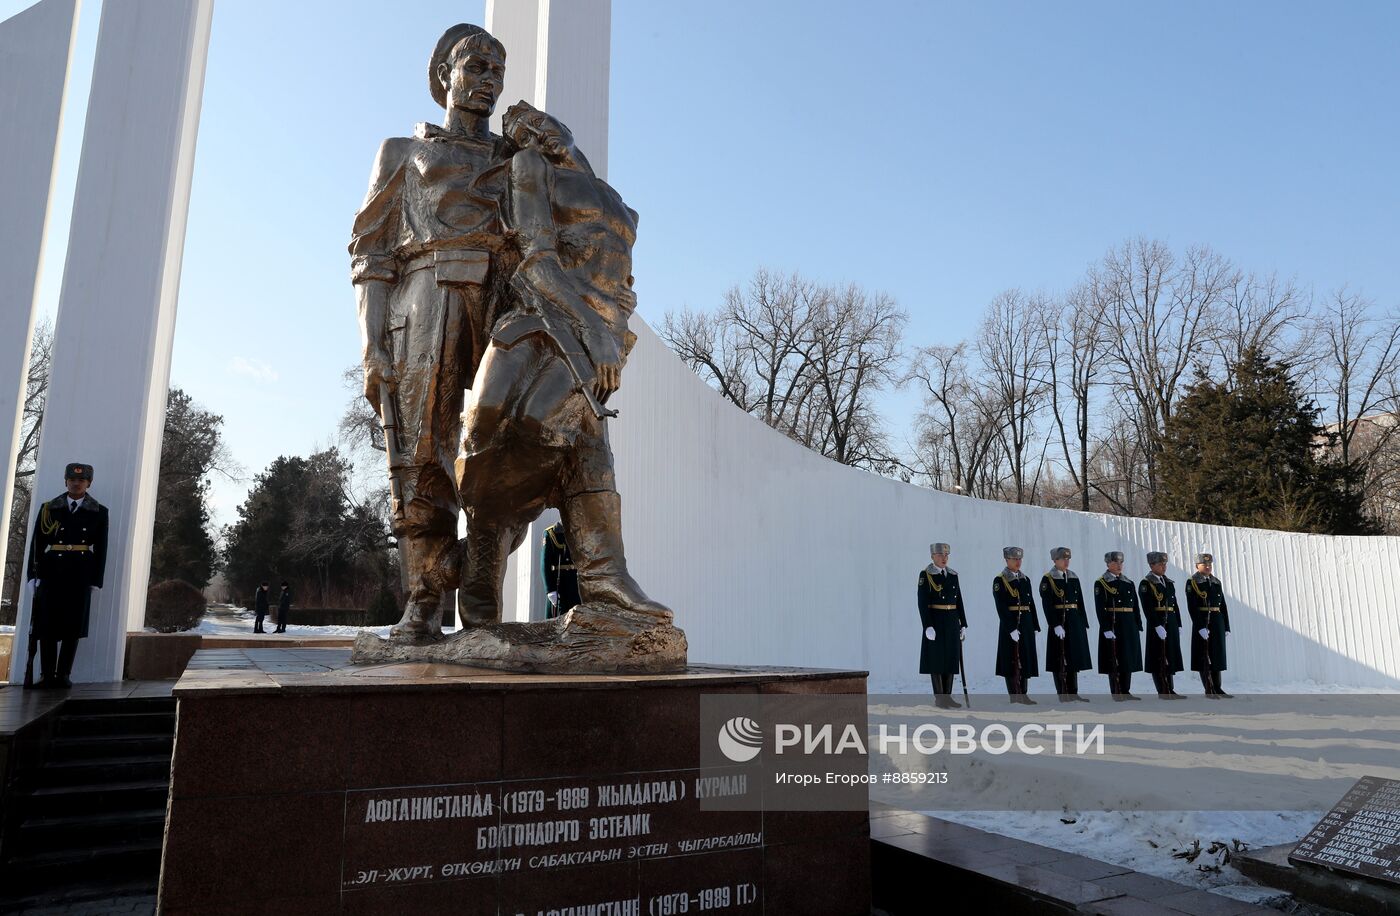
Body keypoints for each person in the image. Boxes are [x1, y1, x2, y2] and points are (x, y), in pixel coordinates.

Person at [452, 100, 667, 622]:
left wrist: (609, 332)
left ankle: (604, 575)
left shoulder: (617, 201)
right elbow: (537, 260)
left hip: (601, 332)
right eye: (521, 129)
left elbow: (623, 282)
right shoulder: (531, 169)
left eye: (538, 120)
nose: (534, 131)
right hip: (540, 316)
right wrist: (592, 329)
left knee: (572, 429)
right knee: (489, 427)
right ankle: (486, 555)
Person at [351, 23, 512, 640]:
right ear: (445, 75)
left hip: (504, 299)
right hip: (427, 299)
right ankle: (423, 597)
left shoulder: (516, 160)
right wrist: (374, 348)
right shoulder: (403, 152)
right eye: (476, 68)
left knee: (514, 445)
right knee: (421, 453)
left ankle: (478, 577)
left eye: (497, 72)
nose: (488, 83)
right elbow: (371, 257)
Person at [24, 462, 108, 689]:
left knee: (72, 625)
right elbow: (36, 545)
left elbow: (101, 548)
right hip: (52, 571)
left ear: (88, 483)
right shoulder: (49, 508)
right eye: (72, 479)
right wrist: (32, 576)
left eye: (81, 480)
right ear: (65, 481)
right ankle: (46, 674)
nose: (76, 483)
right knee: (47, 625)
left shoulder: (98, 511)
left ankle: (63, 674)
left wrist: (96, 580)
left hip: (80, 572)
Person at [917, 542, 968, 708]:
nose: (944, 558)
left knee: (951, 658)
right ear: (932, 556)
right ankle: (939, 697)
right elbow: (922, 602)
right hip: (936, 621)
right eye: (940, 555)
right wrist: (927, 625)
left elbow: (958, 600)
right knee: (937, 659)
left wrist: (963, 623)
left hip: (952, 620)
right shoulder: (926, 575)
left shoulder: (953, 575)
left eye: (946, 555)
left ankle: (948, 696)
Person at [1039, 547, 1091, 702]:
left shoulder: (1073, 577)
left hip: (1074, 622)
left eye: (1068, 558)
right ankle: (1063, 692)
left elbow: (1079, 601)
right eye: (1063, 558)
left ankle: (1073, 692)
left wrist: (1083, 622)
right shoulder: (1048, 579)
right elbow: (1047, 604)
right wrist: (1055, 624)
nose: (1066, 561)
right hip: (1060, 622)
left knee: (1073, 657)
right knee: (1060, 658)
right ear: (1055, 560)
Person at [1094, 551, 1143, 700]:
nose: (1119, 565)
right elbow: (1100, 607)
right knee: (1114, 657)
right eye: (1115, 562)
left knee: (1127, 657)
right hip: (1113, 623)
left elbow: (1135, 605)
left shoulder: (1128, 582)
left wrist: (1137, 623)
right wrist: (1106, 628)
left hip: (1128, 623)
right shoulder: (1102, 583)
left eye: (1121, 562)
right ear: (1108, 564)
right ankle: (1116, 691)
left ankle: (1126, 690)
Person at [992, 546, 1039, 704]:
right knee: (1011, 659)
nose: (1018, 562)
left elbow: (1030, 603)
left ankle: (1023, 692)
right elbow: (1001, 606)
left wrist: (1034, 624)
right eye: (1014, 559)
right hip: (1010, 624)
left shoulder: (1025, 579)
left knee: (1025, 657)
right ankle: (1014, 694)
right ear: (1007, 560)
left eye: (1019, 559)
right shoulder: (1000, 580)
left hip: (1025, 622)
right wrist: (1011, 628)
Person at [1186, 553, 1232, 698]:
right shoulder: (1193, 582)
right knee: (1204, 656)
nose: (1207, 567)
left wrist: (1226, 626)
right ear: (1197, 566)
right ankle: (1209, 688)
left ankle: (1218, 688)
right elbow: (1192, 606)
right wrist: (1200, 626)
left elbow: (1223, 605)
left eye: (1210, 565)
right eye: (1204, 564)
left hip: (1217, 620)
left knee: (1217, 655)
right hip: (1203, 621)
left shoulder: (1216, 582)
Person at [1140, 552, 1185, 699]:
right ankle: (1162, 690)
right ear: (1152, 565)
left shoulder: (1168, 582)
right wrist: (1156, 625)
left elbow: (1174, 604)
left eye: (1164, 564)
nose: (1163, 567)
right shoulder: (1146, 583)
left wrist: (1178, 623)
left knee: (1169, 655)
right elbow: (1147, 607)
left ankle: (1170, 688)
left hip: (1170, 621)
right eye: (1160, 564)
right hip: (1158, 624)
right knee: (1158, 656)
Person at [541, 520, 580, 618]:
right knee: (557, 620)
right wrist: (550, 590)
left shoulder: (580, 531)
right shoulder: (551, 533)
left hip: (576, 584)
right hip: (559, 584)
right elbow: (545, 564)